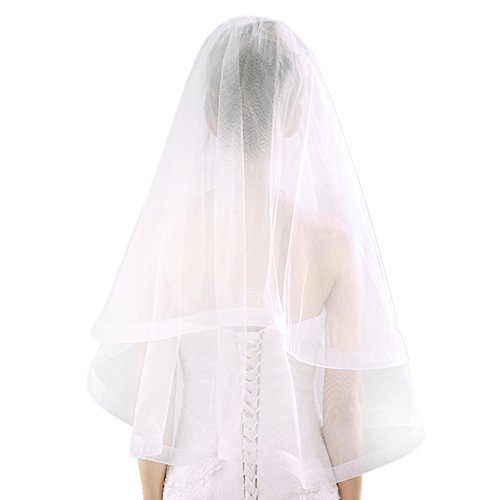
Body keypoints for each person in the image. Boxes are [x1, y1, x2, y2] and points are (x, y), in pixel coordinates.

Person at [87, 15, 425, 500]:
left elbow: (154, 401)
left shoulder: (168, 237)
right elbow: (343, 406)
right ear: (295, 115)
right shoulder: (332, 245)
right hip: (301, 486)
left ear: (209, 115)